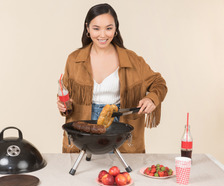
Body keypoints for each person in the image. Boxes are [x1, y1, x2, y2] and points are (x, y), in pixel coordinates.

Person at [57, 3, 167, 153]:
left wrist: (151, 98)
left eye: (109, 28)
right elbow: (67, 98)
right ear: (87, 28)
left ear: (116, 29)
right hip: (84, 128)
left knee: (119, 173)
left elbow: (158, 83)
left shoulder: (132, 59)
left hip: (119, 126)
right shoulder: (74, 59)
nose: (103, 35)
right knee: (84, 172)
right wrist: (64, 105)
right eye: (96, 28)